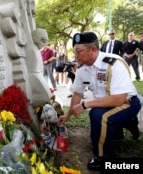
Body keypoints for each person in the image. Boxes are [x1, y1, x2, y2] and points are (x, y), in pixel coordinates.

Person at [58, 32, 141, 171]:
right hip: (107, 104)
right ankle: (127, 125)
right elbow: (77, 94)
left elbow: (119, 98)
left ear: (93, 50)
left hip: (128, 103)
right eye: (75, 51)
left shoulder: (114, 63)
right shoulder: (82, 69)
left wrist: (86, 105)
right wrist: (68, 115)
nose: (75, 55)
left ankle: (104, 159)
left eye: (79, 51)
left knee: (99, 116)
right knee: (99, 115)